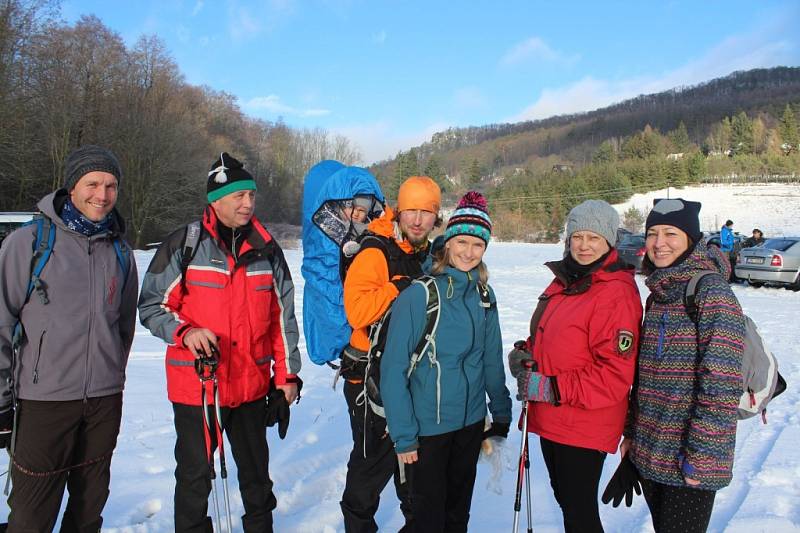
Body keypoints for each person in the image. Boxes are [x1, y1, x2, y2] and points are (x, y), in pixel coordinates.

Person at [138, 152, 302, 532]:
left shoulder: (267, 249)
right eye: (238, 196)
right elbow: (151, 305)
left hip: (249, 386)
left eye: (252, 196)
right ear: (215, 200)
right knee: (195, 478)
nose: (247, 204)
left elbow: (283, 319)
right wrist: (186, 332)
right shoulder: (186, 244)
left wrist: (287, 377)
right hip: (198, 388)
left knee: (257, 479)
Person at [0, 145, 138, 531]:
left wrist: (111, 377)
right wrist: (1, 402)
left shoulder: (121, 252)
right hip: (43, 402)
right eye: (92, 183)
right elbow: (0, 322)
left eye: (111, 185)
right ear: (72, 187)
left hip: (103, 403)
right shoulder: (28, 244)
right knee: (31, 516)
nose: (103, 194)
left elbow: (123, 327)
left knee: (88, 512)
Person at [508, 199, 642, 533]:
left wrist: (550, 386)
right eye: (577, 236)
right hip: (554, 416)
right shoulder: (568, 280)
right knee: (568, 503)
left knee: (579, 511)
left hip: (584, 422)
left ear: (609, 241)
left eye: (593, 238)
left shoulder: (614, 293)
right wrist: (526, 354)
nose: (583, 245)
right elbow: (555, 338)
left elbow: (613, 375)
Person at [381, 191, 512, 533]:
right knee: (427, 520)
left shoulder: (484, 295)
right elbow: (393, 369)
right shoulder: (419, 295)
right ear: (448, 242)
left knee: (457, 516)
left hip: (469, 425)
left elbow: (491, 359)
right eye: (462, 242)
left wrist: (500, 412)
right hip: (429, 431)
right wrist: (404, 435)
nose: (469, 252)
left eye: (478, 245)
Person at [622, 198, 745, 533]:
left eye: (670, 233)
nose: (659, 243)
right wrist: (632, 435)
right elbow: (644, 378)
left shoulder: (711, 293)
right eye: (652, 233)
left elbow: (721, 386)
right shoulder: (659, 295)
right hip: (651, 452)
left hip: (689, 461)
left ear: (691, 239)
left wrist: (701, 457)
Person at [340, 175, 441, 533]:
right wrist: (398, 287)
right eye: (411, 210)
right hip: (371, 382)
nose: (417, 220)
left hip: (409, 379)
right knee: (371, 469)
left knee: (413, 470)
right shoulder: (375, 250)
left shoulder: (430, 254)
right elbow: (357, 311)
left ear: (435, 217)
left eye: (426, 212)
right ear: (398, 212)